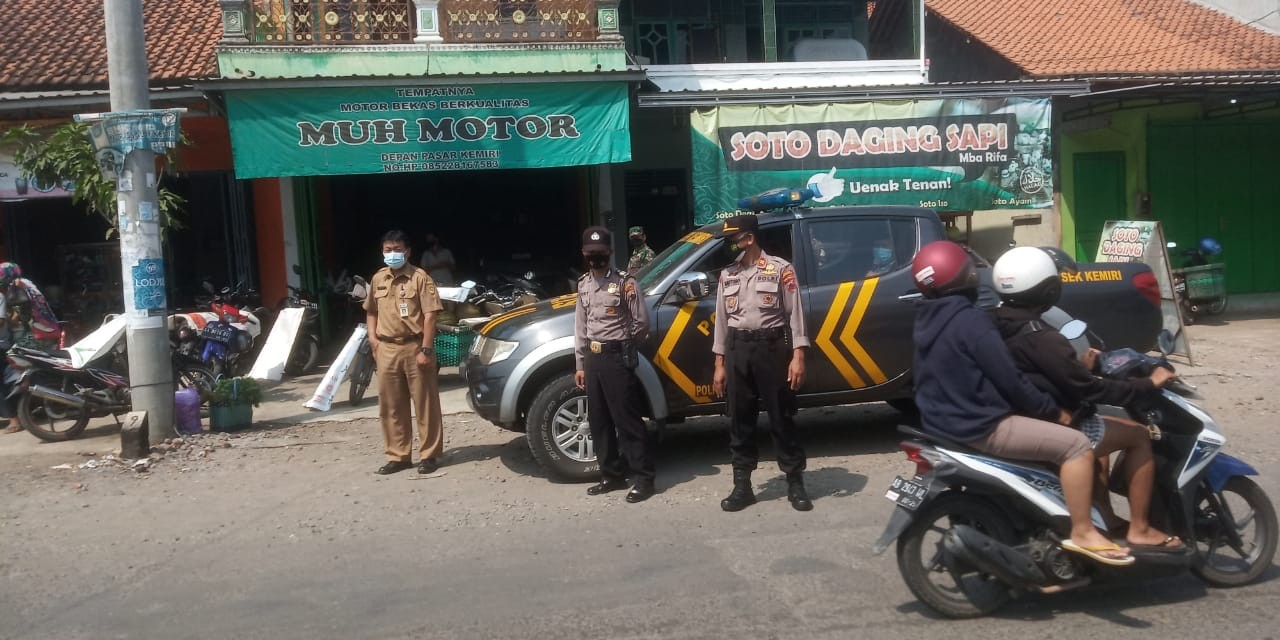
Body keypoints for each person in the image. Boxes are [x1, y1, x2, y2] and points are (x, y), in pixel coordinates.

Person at [910, 240, 1133, 566]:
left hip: (942, 424)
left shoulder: (927, 320)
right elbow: (1010, 379)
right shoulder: (971, 322)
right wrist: (1053, 411)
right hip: (981, 425)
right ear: (965, 278)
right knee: (1077, 447)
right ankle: (1084, 531)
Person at [991, 246, 1183, 550]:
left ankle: (1103, 516)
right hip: (1048, 419)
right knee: (1136, 436)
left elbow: (1038, 371)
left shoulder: (995, 322)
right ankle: (1140, 530)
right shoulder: (1042, 337)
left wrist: (1078, 369)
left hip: (1021, 413)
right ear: (1048, 289)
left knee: (1101, 438)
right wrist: (1149, 383)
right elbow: (1093, 390)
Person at [711, 214, 812, 512]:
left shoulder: (781, 269)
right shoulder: (727, 274)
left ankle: (795, 482)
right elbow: (721, 321)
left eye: (733, 240)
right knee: (740, 419)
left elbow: (796, 316)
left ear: (749, 238)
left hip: (771, 349)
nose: (730, 246)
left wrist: (798, 356)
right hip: (738, 349)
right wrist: (719, 363)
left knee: (782, 416)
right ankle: (743, 486)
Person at [575, 226, 655, 503]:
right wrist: (580, 363)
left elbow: (641, 321)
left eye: (600, 254)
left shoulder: (625, 282)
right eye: (591, 254)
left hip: (616, 356)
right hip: (593, 358)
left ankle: (643, 478)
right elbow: (580, 326)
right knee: (598, 420)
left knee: (627, 419)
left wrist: (625, 345)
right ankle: (611, 474)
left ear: (609, 252)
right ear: (585, 255)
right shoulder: (583, 283)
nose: (595, 259)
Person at [364, 231, 446, 475]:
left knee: (425, 404)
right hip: (386, 348)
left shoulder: (420, 278)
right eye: (387, 250)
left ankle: (430, 455)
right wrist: (373, 340)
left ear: (408, 251)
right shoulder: (378, 279)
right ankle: (398, 456)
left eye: (397, 249)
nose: (392, 254)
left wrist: (426, 349)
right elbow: (370, 311)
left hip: (415, 346)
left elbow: (430, 315)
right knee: (391, 406)